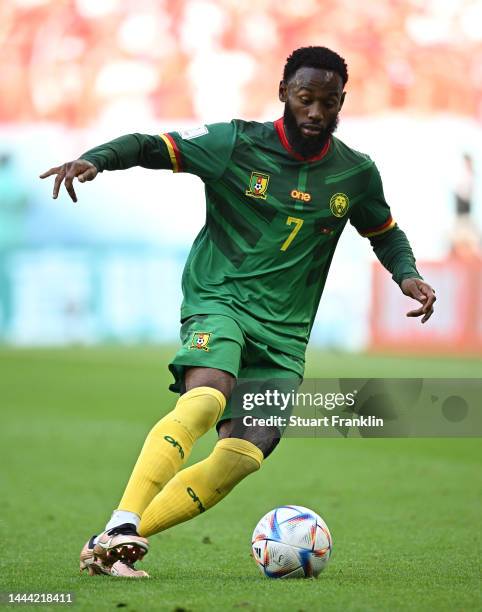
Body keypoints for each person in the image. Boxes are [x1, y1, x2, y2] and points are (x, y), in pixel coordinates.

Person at [40, 46, 436, 578]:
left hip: (285, 334)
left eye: (329, 101)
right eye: (305, 98)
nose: (316, 112)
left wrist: (407, 274)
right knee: (205, 399)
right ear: (284, 94)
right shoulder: (235, 144)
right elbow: (149, 145)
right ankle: (122, 520)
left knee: (245, 454)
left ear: (343, 101)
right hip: (220, 300)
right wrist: (97, 158)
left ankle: (113, 541)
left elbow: (384, 233)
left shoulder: (355, 173)